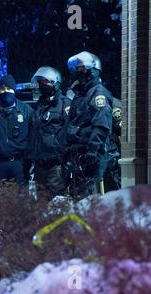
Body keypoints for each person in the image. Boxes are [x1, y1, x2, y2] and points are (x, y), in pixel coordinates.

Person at [63, 51, 113, 200]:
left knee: (91, 199)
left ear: (93, 70)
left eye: (82, 69)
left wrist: (93, 149)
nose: (79, 73)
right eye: (77, 70)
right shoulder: (80, 96)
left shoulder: (98, 93)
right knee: (77, 197)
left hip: (92, 156)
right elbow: (71, 125)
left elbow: (101, 124)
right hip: (78, 155)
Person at [0, 75, 33, 186]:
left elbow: (33, 137)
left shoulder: (25, 110)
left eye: (9, 88)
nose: (5, 91)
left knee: (20, 201)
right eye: (2, 89)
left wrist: (30, 163)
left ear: (14, 90)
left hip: (20, 166)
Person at [27, 67, 72, 198]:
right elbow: (33, 133)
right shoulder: (39, 106)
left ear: (55, 83)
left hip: (55, 165)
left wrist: (63, 157)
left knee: (55, 201)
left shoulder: (64, 104)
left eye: (45, 82)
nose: (42, 85)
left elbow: (68, 132)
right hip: (39, 164)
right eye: (40, 82)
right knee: (41, 203)